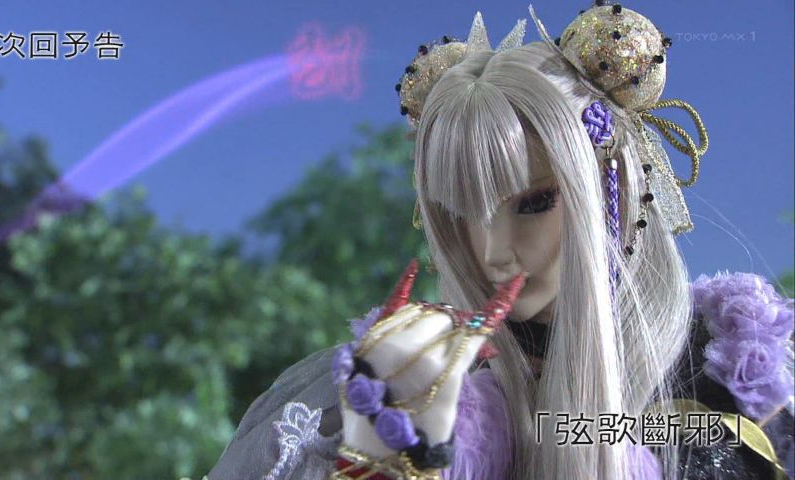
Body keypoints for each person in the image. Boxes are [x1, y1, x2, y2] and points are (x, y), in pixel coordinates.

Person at [207, 3, 794, 479]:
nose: (493, 253)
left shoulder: (731, 364)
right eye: (463, 214)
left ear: (608, 192)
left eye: (534, 203)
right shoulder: (416, 377)